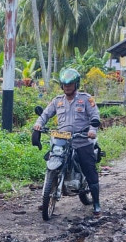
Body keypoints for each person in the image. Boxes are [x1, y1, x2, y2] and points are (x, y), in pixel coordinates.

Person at [31, 68, 103, 214]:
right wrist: (38, 124)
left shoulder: (86, 99)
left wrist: (92, 130)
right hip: (62, 141)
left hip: (82, 140)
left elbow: (95, 116)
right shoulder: (57, 101)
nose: (67, 87)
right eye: (65, 85)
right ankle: (47, 196)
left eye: (70, 84)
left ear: (76, 84)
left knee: (89, 170)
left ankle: (96, 202)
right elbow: (45, 115)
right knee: (51, 159)